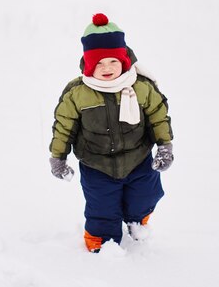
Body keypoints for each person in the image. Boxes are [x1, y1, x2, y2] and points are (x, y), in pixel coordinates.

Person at [48, 13, 174, 253]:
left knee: (145, 196)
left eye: (113, 61)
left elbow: (158, 114)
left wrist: (165, 146)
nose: (106, 68)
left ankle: (137, 222)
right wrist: (58, 157)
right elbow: (63, 125)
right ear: (88, 64)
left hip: (138, 158)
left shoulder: (140, 86)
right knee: (102, 207)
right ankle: (102, 241)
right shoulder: (78, 93)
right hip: (97, 164)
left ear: (124, 61)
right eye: (99, 63)